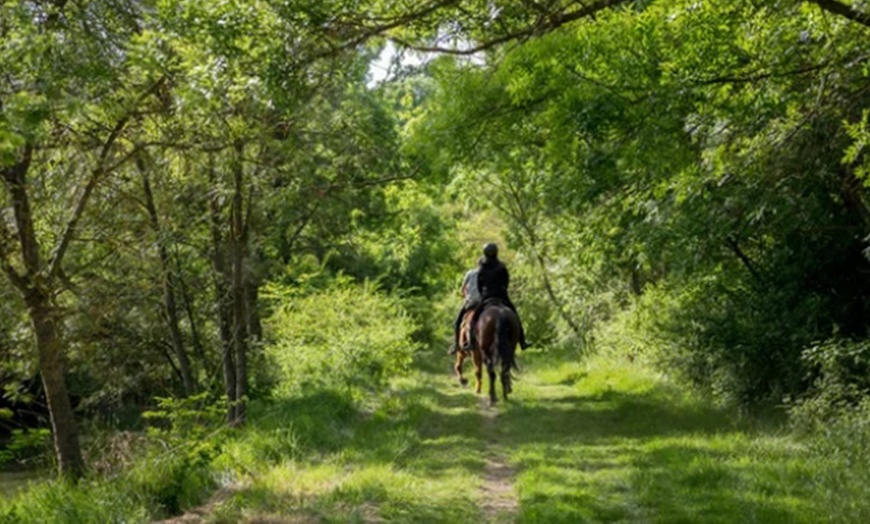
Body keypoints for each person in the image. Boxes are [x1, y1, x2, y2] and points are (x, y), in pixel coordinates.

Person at [467, 242, 530, 350]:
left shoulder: (481, 268)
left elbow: (479, 285)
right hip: (502, 296)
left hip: (486, 297)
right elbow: (506, 282)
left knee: (474, 318)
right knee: (515, 315)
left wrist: (483, 294)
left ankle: (471, 342)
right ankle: (522, 341)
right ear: (496, 252)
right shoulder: (502, 267)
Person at [447, 266, 481, 355]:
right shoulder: (486, 274)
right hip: (483, 303)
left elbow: (463, 289)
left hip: (470, 303)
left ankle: (456, 345)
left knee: (457, 322)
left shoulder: (469, 273)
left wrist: (466, 297)